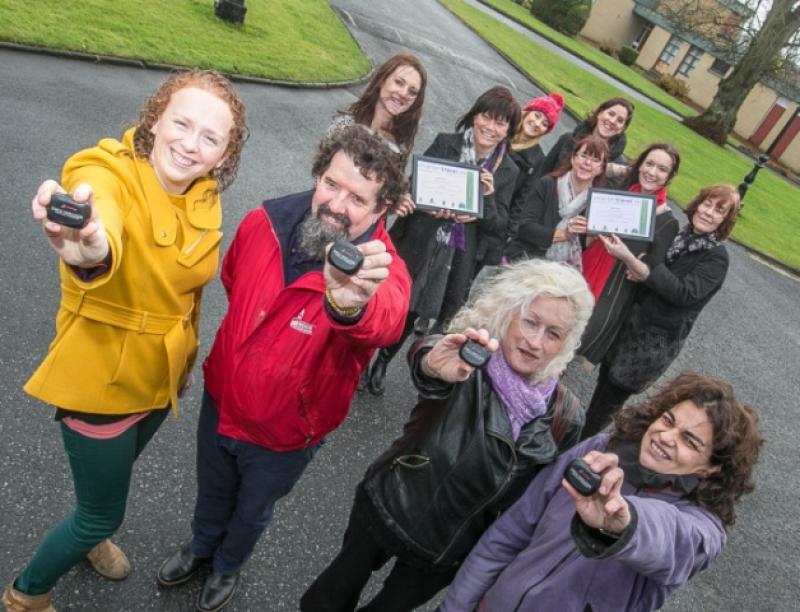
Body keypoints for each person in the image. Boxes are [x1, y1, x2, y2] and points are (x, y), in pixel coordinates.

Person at [3, 70, 248, 612]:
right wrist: (88, 248)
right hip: (104, 383)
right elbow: (99, 225)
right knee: (101, 514)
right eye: (181, 123)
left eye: (211, 137)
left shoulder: (203, 193)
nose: (190, 144)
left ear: (225, 151)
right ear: (154, 118)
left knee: (108, 486)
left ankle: (90, 530)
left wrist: (181, 367)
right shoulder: (108, 171)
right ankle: (26, 595)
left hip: (162, 378)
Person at [155, 125, 411, 612]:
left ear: (381, 211)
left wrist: (348, 304)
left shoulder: (381, 272)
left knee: (252, 510)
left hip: (286, 432)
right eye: (332, 184)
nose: (337, 204)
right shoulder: (264, 220)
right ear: (318, 175)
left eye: (358, 199)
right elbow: (234, 280)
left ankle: (227, 566)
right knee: (211, 491)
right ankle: (200, 547)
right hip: (223, 400)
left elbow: (384, 322)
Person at [301, 259, 594, 612]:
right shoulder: (469, 356)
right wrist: (429, 364)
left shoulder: (565, 414)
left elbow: (533, 501)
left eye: (553, 333)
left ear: (565, 344)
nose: (535, 341)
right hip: (389, 507)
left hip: (446, 551)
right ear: (507, 314)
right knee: (330, 597)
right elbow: (428, 360)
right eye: (530, 321)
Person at [441, 371, 762, 612]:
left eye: (689, 441)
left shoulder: (703, 529)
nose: (666, 436)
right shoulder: (600, 450)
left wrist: (624, 524)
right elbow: (511, 532)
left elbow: (671, 538)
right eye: (668, 420)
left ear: (711, 468)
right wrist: (456, 605)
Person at [364, 86, 520, 396]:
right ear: (474, 116)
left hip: (456, 253)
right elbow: (415, 187)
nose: (490, 127)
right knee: (389, 296)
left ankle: (383, 360)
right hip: (420, 237)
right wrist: (424, 201)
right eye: (486, 117)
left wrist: (485, 200)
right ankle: (360, 354)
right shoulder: (446, 143)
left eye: (500, 123)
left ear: (508, 131)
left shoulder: (507, 171)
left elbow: (499, 225)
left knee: (415, 308)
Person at [581, 185, 742, 438]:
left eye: (719, 211)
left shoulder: (716, 257)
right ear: (698, 204)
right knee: (603, 391)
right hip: (629, 328)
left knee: (608, 403)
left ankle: (576, 453)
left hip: (650, 344)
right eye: (707, 204)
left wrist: (642, 267)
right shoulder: (682, 235)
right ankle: (578, 444)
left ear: (726, 220)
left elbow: (683, 293)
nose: (709, 213)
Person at [578, 143, 682, 365]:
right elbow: (587, 241)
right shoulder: (618, 196)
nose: (652, 172)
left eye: (662, 169)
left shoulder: (667, 221)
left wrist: (626, 256)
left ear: (670, 177)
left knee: (573, 345)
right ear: (640, 164)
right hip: (582, 270)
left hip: (611, 292)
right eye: (649, 163)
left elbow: (650, 273)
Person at [327, 52, 427, 220]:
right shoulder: (345, 126)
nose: (403, 94)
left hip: (368, 230)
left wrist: (397, 200)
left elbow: (384, 191)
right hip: (332, 215)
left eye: (412, 92)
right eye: (399, 82)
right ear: (382, 80)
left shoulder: (401, 143)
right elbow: (321, 180)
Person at [505, 134, 608, 270]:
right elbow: (525, 228)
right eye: (583, 156)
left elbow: (584, 246)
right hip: (523, 261)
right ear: (573, 158)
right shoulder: (547, 184)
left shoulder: (597, 203)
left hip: (560, 272)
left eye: (595, 160)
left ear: (601, 169)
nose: (587, 163)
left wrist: (592, 237)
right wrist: (564, 234)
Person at [536, 96, 634, 179]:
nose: (613, 121)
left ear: (622, 128)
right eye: (611, 114)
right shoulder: (567, 139)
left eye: (620, 120)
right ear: (600, 113)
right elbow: (540, 175)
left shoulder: (618, 165)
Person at [507, 92, 564, 233]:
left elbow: (523, 198)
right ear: (527, 112)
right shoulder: (502, 131)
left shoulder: (538, 160)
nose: (537, 124)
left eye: (545, 124)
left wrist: (509, 230)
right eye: (537, 115)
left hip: (496, 216)